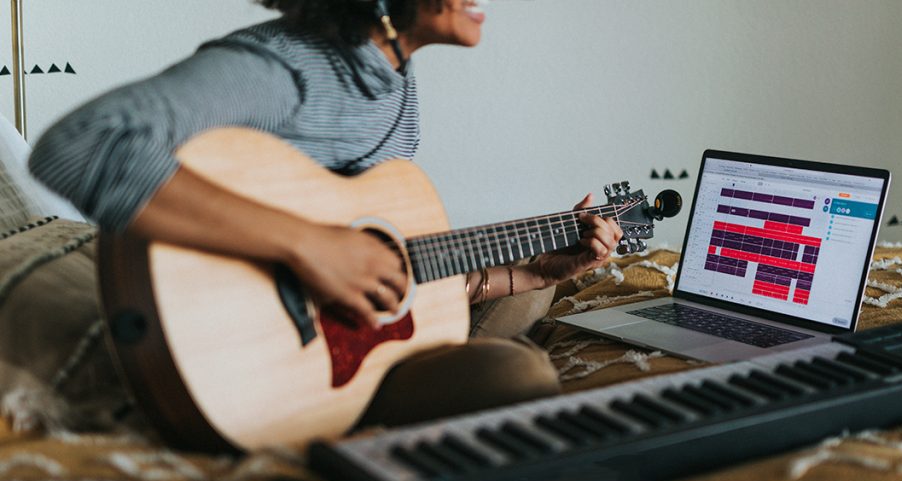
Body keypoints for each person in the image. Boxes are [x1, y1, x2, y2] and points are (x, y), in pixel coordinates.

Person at [28, 0, 623, 427]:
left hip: (343, 327)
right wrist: (308, 246)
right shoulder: (285, 67)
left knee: (531, 297)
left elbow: (380, 261)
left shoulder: (393, 80)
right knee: (521, 379)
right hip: (246, 344)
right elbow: (83, 144)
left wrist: (533, 273)